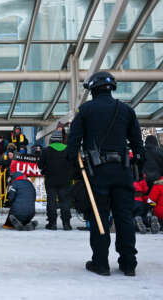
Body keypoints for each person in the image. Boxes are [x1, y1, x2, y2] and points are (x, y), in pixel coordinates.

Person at [67, 71, 145, 277]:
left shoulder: (85, 110)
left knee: (99, 216)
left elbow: (72, 144)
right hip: (122, 171)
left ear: (93, 89)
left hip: (97, 172)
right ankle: (129, 263)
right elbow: (138, 145)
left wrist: (75, 172)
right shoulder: (127, 110)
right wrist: (137, 167)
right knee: (124, 217)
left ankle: (101, 262)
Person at [38, 130, 73, 231]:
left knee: (51, 202)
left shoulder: (46, 150)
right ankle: (66, 224)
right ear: (61, 140)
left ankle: (52, 223)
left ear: (51, 140)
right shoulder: (68, 150)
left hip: (50, 180)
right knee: (65, 201)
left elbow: (40, 165)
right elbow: (72, 164)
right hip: (65, 180)